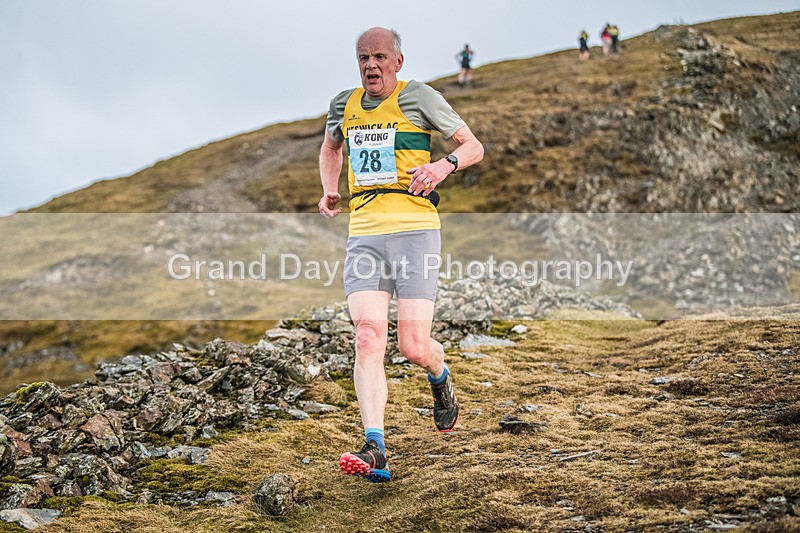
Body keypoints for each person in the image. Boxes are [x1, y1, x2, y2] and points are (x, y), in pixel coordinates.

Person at [318, 27, 484, 483]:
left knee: (413, 346)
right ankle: (376, 447)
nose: (371, 65)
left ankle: (440, 373)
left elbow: (473, 145)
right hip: (366, 234)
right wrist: (330, 189)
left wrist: (441, 165)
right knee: (368, 336)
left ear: (398, 61)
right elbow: (332, 145)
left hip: (415, 232)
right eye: (363, 58)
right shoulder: (344, 104)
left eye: (379, 57)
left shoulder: (419, 98)